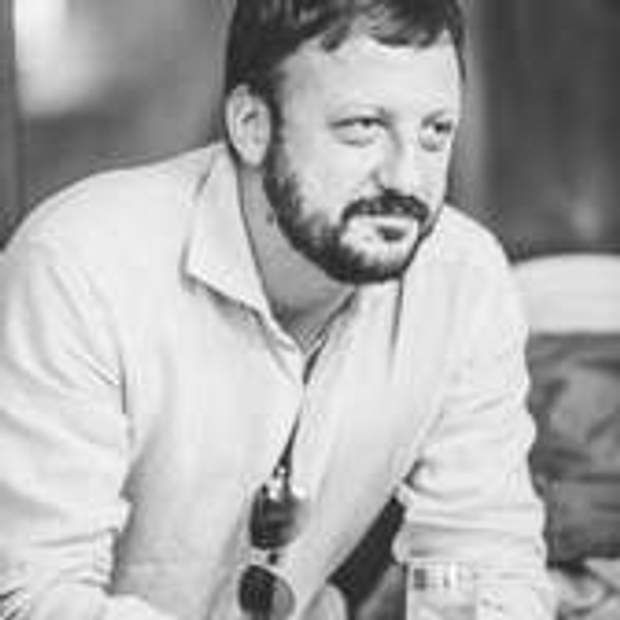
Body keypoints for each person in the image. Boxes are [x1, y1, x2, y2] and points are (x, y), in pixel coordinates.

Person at [0, 0, 554, 618]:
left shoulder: (463, 278)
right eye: (363, 127)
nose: (407, 178)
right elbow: (32, 597)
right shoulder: (80, 266)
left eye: (435, 132)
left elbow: (488, 567)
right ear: (251, 125)